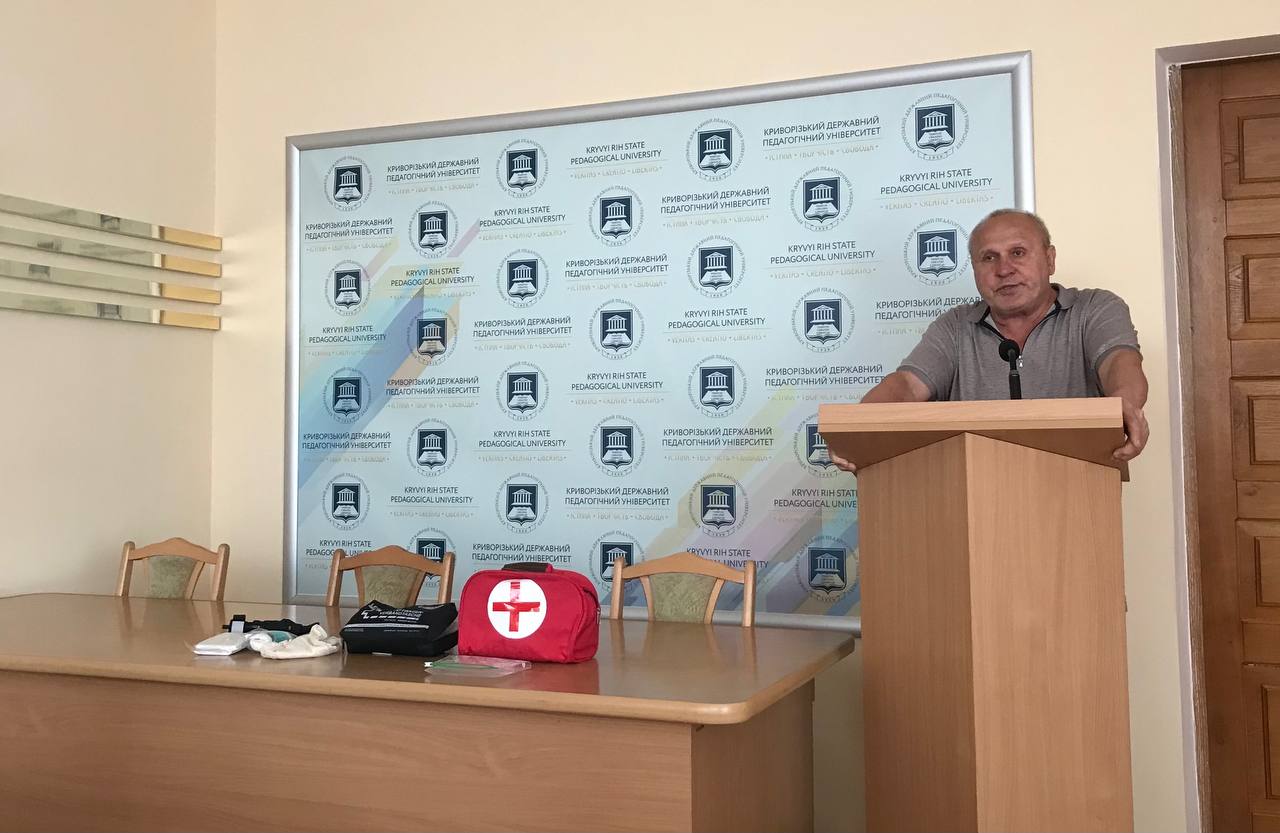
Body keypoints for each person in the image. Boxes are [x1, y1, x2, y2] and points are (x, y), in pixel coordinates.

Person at [828, 209, 1148, 473]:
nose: (1004, 269)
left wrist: (1124, 403)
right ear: (975, 269)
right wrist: (858, 426)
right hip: (967, 500)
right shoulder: (956, 326)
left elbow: (1118, 363)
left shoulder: (1095, 308)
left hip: (1076, 496)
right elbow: (908, 386)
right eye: (989, 258)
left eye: (1018, 253)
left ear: (1050, 259)